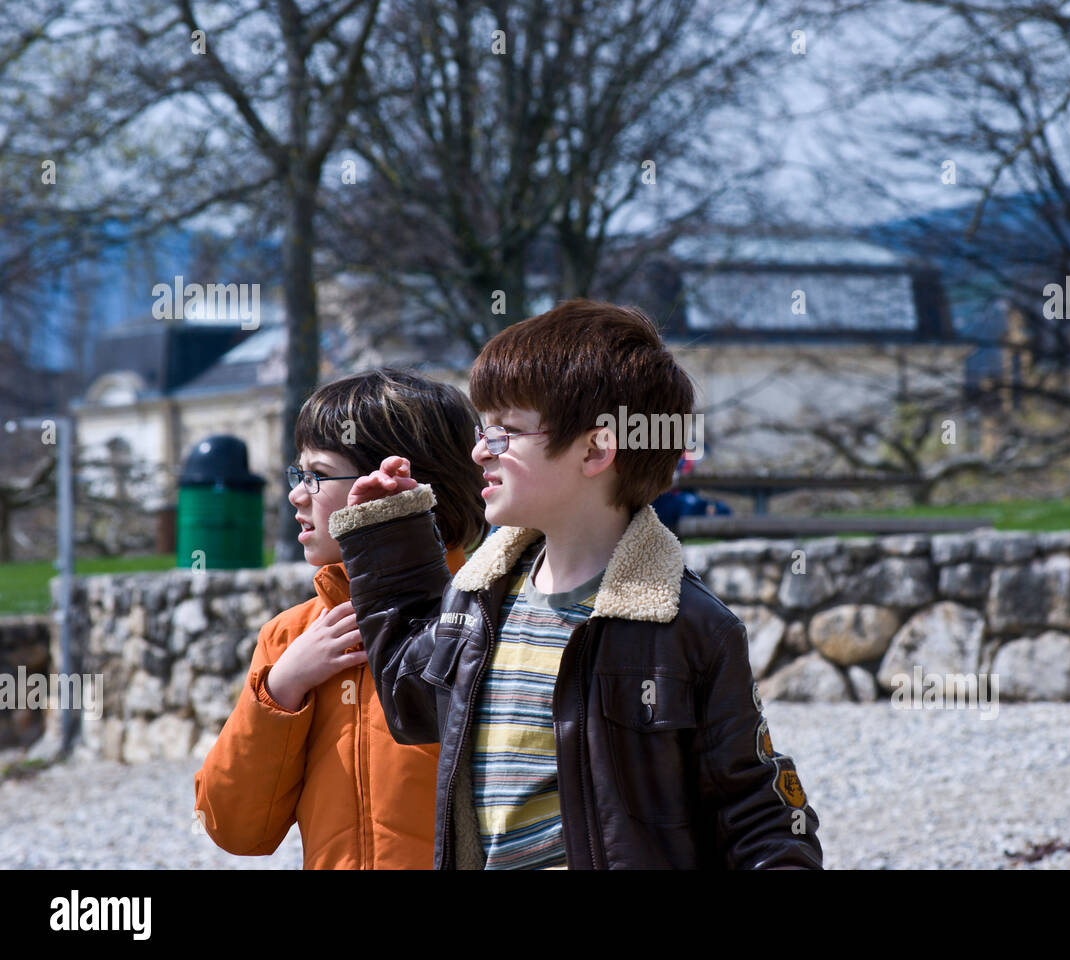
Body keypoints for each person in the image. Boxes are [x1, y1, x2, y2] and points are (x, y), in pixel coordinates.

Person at [328, 300, 823, 869]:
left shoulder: (692, 628)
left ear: (595, 449)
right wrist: (388, 538)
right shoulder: (477, 599)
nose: (477, 452)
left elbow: (756, 810)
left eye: (504, 433)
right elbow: (409, 701)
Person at [193, 368, 488, 868]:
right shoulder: (289, 636)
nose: (296, 494)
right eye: (297, 474)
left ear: (395, 483)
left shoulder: (483, 616)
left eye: (317, 475)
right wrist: (282, 688)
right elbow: (235, 827)